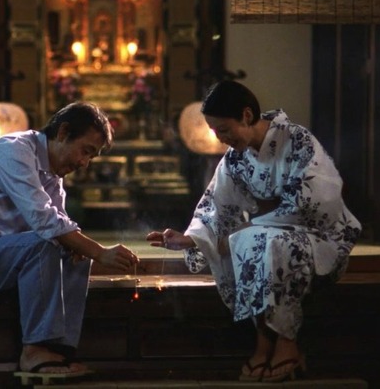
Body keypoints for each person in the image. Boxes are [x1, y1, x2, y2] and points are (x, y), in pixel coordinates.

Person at [147, 80, 361, 383]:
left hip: (320, 235)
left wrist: (255, 224)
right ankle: (264, 338)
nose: (221, 140)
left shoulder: (297, 140)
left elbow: (317, 201)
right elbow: (215, 205)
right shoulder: (236, 159)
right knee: (252, 239)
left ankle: (285, 340)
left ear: (247, 115)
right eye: (216, 133)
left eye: (224, 130)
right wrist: (189, 238)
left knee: (264, 240)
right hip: (267, 233)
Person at [0, 101, 140, 378]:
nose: (83, 163)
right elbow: (45, 222)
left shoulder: (52, 173)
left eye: (91, 157)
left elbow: (61, 227)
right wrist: (101, 252)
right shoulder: (14, 152)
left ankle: (60, 349)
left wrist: (85, 249)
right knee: (46, 244)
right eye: (85, 151)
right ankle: (34, 350)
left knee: (73, 253)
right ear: (62, 132)